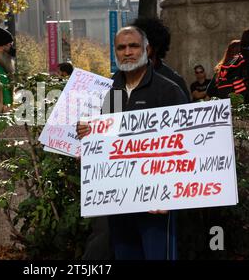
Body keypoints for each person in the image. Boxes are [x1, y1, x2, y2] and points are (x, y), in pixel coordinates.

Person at [77, 26, 187, 260]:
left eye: (133, 46)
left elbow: (185, 146)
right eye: (121, 47)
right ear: (115, 53)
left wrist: (171, 193)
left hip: (156, 200)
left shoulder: (168, 91)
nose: (127, 52)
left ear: (147, 49)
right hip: (116, 198)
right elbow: (99, 142)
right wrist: (84, 137)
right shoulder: (105, 92)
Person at [132, 17, 190, 101]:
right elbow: (113, 111)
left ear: (156, 47)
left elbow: (184, 111)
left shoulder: (174, 81)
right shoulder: (120, 80)